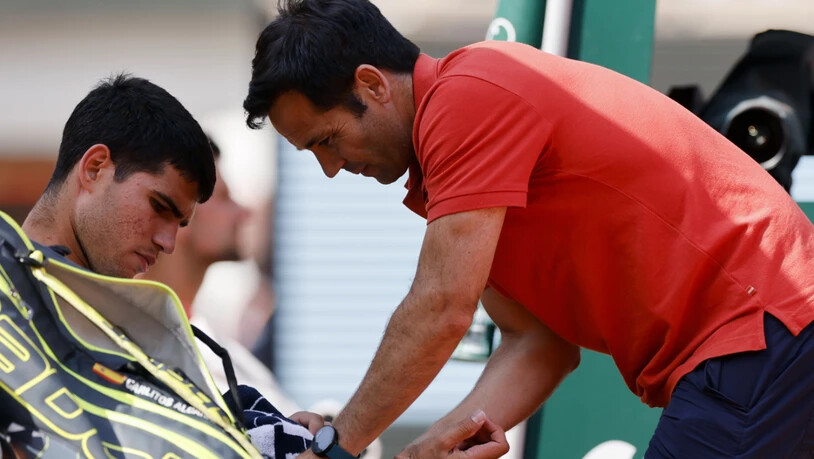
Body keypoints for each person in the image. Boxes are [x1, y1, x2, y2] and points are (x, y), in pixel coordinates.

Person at [242, 1, 814, 458]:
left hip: (759, 330)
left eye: (328, 140)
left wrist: (334, 445)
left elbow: (441, 307)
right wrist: (432, 444)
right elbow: (538, 343)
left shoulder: (466, 98)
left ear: (372, 84)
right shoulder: (469, 125)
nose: (331, 168)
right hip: (770, 335)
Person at [0, 74, 272, 458]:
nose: (168, 242)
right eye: (158, 207)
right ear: (95, 168)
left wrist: (276, 434)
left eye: (180, 224)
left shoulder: (153, 337)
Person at [140, 136, 302, 416]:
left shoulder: (226, 352)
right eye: (224, 197)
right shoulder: (128, 346)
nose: (244, 212)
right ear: (178, 213)